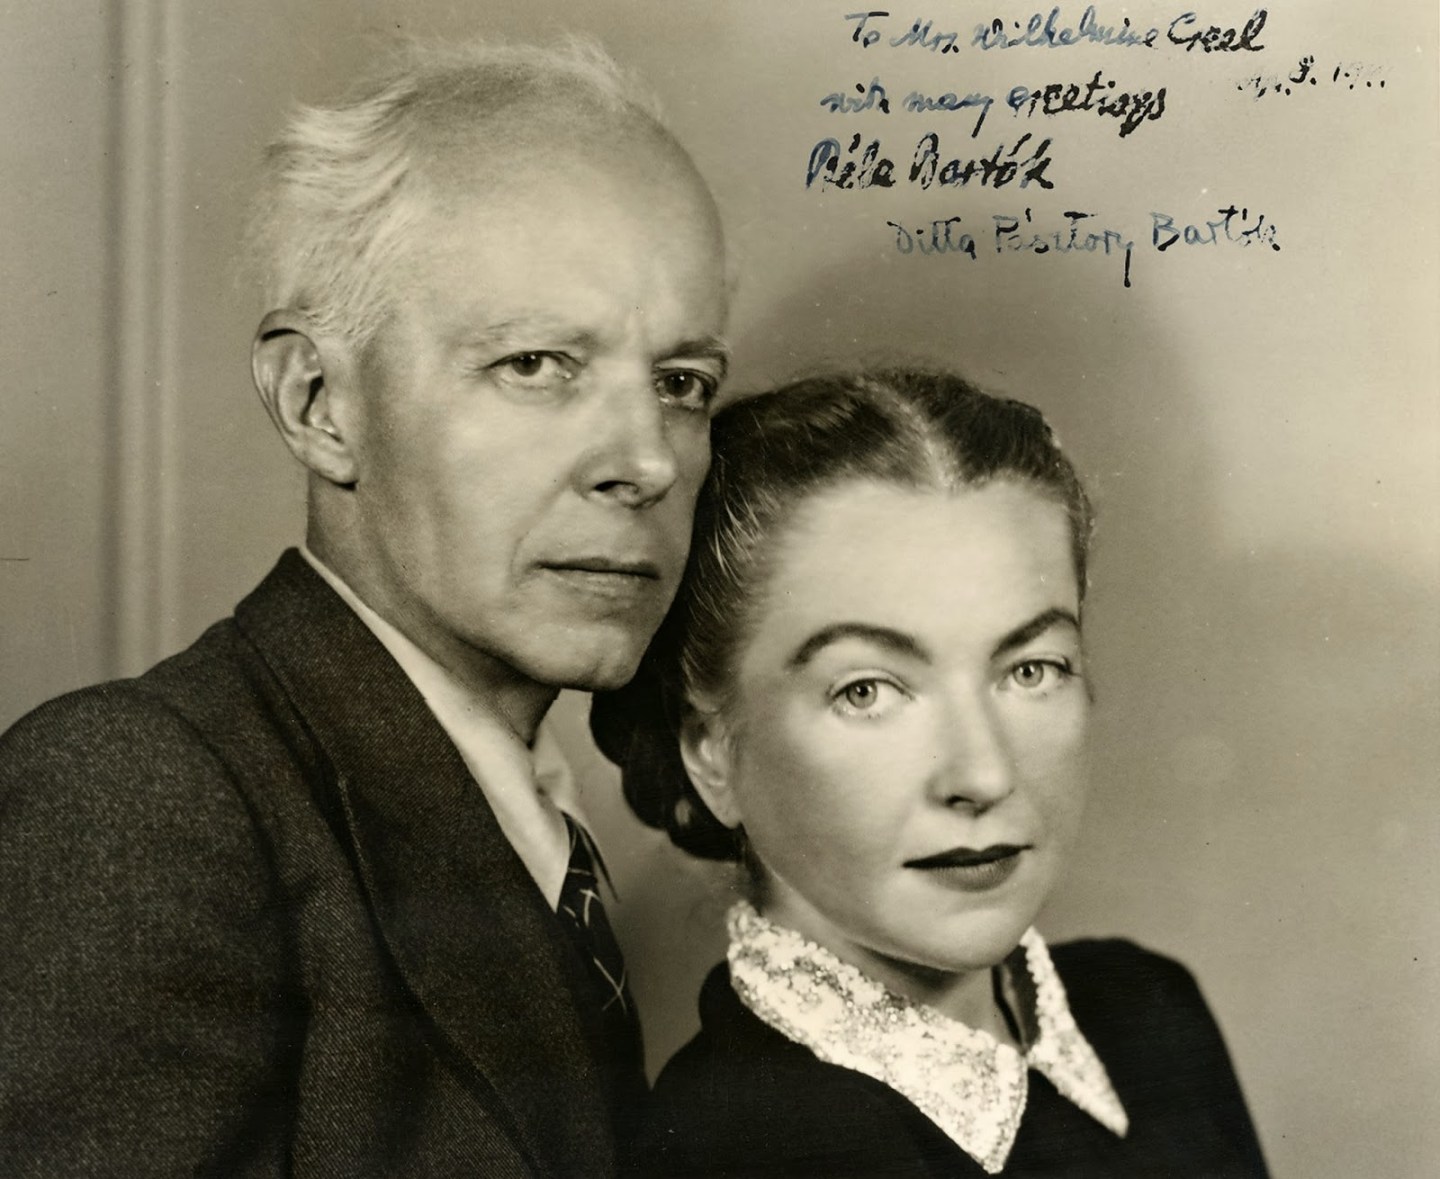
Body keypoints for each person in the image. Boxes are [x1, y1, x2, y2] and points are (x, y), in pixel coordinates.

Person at [0, 39, 729, 1178]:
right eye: (536, 364)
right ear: (319, 403)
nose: (646, 461)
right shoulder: (149, 796)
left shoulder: (532, 819)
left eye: (682, 384)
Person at [592, 370, 1269, 1177]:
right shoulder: (743, 1152)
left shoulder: (1148, 1016)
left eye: (1031, 669)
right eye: (867, 690)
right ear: (711, 751)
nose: (982, 774)